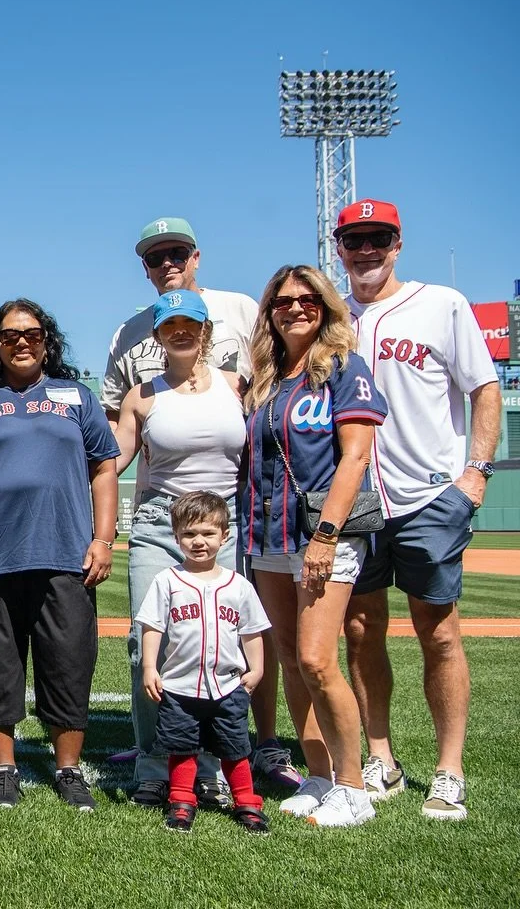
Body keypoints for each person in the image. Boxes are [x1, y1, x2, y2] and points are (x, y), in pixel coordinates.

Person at [102, 217, 294, 796]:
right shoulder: (141, 392)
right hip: (161, 522)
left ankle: (217, 760)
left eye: (191, 324)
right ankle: (155, 765)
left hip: (227, 524)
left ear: (208, 331)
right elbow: (111, 461)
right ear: (158, 335)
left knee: (224, 645)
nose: (181, 331)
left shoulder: (239, 385)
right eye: (171, 326)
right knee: (148, 643)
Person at [338, 199, 498, 821]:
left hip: (429, 492)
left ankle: (448, 769)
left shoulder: (442, 304)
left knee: (440, 631)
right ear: (340, 243)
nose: (367, 249)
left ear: (397, 243)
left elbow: (484, 386)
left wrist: (474, 475)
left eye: (378, 237)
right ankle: (381, 756)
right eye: (356, 238)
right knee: (360, 628)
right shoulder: (329, 314)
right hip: (356, 498)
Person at [0, 298, 118, 811]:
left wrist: (104, 538)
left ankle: (67, 769)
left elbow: (104, 467)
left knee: (68, 664)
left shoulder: (76, 397)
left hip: (65, 552)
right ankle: (5, 768)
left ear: (48, 340)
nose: (21, 341)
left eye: (32, 333)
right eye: (8, 335)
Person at [240, 264, 388, 828]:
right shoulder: (264, 377)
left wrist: (326, 535)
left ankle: (354, 787)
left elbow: (355, 456)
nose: (295, 308)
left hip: (322, 536)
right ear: (269, 311)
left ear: (326, 307)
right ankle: (320, 775)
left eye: (307, 300)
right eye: (282, 301)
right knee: (290, 661)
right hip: (266, 534)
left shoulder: (344, 370)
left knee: (317, 659)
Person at [137, 491, 271, 834]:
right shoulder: (167, 580)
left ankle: (246, 802)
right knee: (181, 747)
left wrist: (257, 668)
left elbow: (252, 631)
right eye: (190, 534)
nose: (199, 541)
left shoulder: (238, 585)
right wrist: (150, 667)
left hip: (227, 686)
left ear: (224, 536)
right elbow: (152, 627)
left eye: (208, 533)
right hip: (180, 686)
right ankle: (182, 801)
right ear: (176, 536)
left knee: (235, 747)